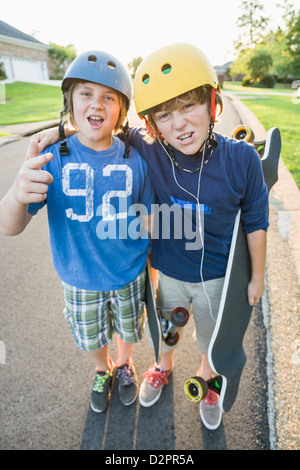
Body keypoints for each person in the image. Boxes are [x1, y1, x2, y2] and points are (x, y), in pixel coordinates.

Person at [25, 43, 269, 430]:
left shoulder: (241, 159)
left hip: (217, 279)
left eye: (190, 106)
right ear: (153, 125)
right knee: (167, 332)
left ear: (212, 102)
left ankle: (207, 376)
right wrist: (58, 130)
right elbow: (101, 126)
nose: (180, 124)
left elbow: (257, 219)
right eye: (165, 115)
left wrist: (256, 276)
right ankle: (162, 366)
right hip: (170, 272)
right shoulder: (151, 150)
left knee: (211, 339)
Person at [0, 50, 155, 413]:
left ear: (121, 108)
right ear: (69, 100)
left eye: (108, 96)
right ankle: (102, 369)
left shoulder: (136, 158)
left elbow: (148, 221)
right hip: (78, 277)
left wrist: (153, 266)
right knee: (90, 335)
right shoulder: (53, 156)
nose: (96, 103)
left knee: (128, 328)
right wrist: (16, 194)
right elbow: (10, 226)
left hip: (128, 273)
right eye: (85, 93)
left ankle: (124, 363)